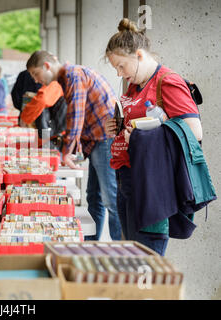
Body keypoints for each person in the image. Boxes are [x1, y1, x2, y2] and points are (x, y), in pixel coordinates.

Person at [104, 18, 204, 255]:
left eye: (121, 66)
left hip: (149, 182)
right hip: (126, 175)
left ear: (138, 55)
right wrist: (118, 127)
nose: (119, 73)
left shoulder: (167, 82)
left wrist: (138, 138)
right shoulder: (136, 83)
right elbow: (144, 123)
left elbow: (194, 130)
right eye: (115, 69)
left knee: (145, 261)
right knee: (130, 256)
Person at [26, 50, 122, 242]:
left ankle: (121, 249)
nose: (37, 81)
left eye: (36, 74)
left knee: (110, 199)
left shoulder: (72, 75)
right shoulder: (68, 77)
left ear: (47, 66)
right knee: (94, 197)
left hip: (104, 138)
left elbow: (76, 116)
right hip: (98, 139)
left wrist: (68, 151)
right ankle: (90, 245)